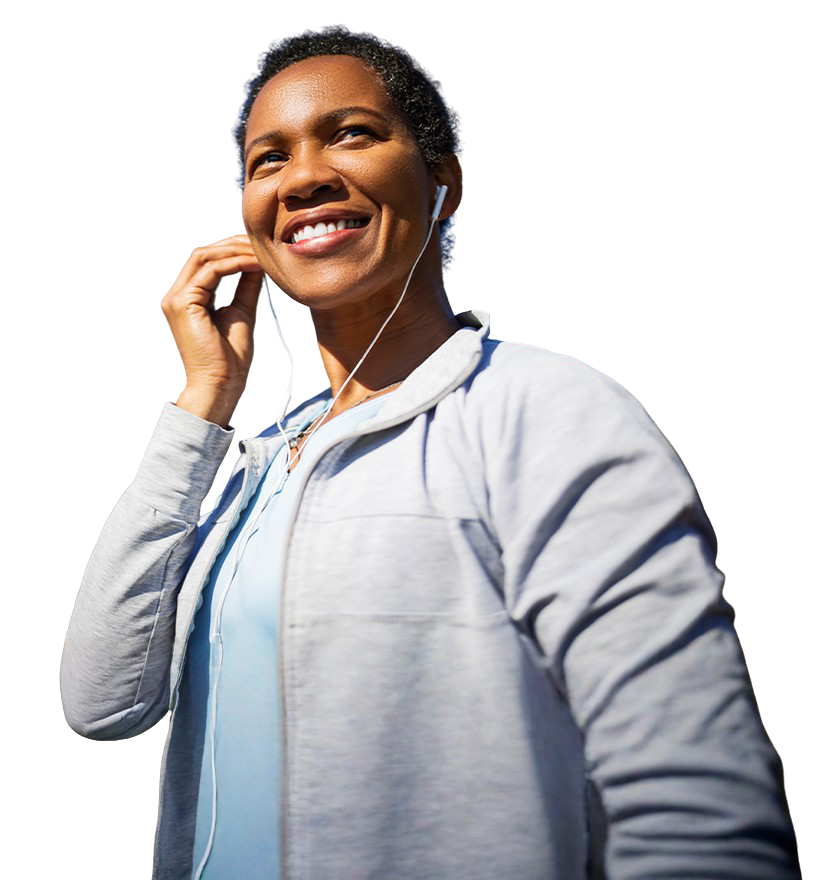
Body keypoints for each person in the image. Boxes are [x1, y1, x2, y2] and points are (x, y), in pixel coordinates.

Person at [60, 27, 797, 880]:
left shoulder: (538, 410)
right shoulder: (255, 459)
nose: (303, 177)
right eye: (269, 158)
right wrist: (203, 406)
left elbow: (692, 799)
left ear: (441, 183)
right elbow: (103, 703)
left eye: (351, 134)